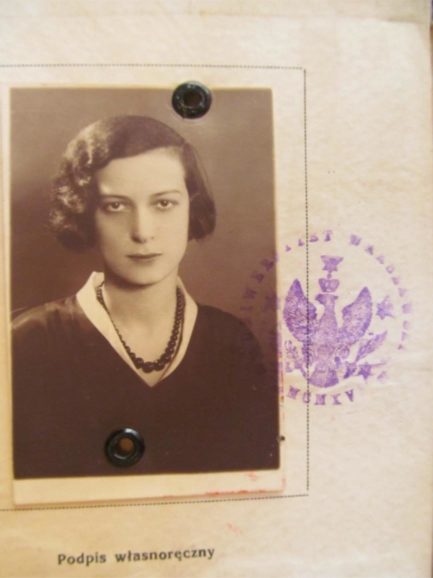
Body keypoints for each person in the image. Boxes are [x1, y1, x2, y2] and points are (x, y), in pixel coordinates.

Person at [12, 115, 279, 479]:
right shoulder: (27, 341)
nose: (142, 231)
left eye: (164, 204)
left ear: (191, 209)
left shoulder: (231, 343)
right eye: (116, 206)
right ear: (85, 214)